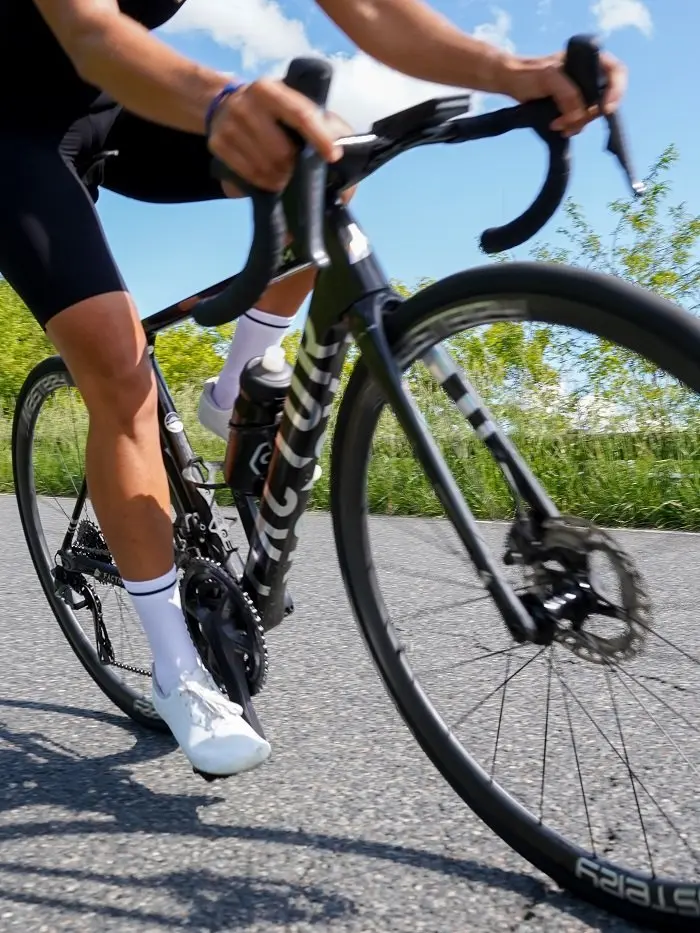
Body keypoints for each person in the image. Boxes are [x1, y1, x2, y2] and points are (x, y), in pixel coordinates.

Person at [0, 0, 627, 778]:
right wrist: (223, 102)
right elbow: (92, 33)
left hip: (117, 108)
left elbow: (373, 11)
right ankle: (177, 672)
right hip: (13, 131)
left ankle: (235, 387)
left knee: (323, 152)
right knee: (118, 368)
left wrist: (514, 71)